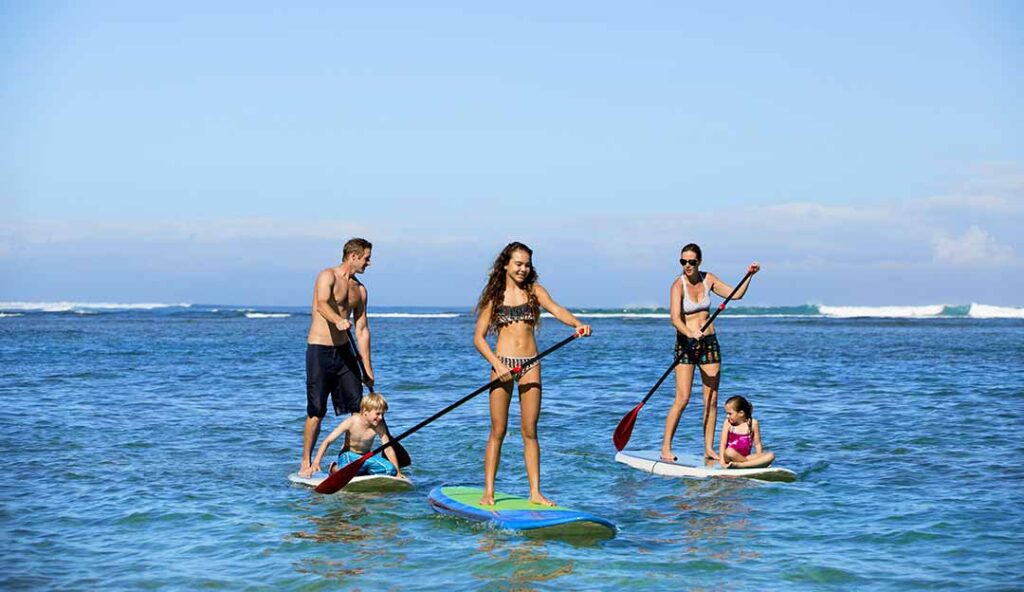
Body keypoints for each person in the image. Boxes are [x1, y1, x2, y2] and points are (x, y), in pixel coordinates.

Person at [473, 242, 592, 507]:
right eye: (518, 263)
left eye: (527, 264)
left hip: (531, 363)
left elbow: (557, 309)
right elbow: (479, 339)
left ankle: (535, 492)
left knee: (530, 430)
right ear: (505, 264)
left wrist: (578, 324)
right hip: (501, 364)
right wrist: (498, 364)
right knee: (498, 430)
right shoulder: (495, 298)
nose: (523, 269)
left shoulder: (535, 292)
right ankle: (489, 491)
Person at [661, 243, 759, 462]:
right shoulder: (678, 286)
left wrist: (749, 275)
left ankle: (708, 448)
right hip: (685, 344)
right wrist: (689, 332)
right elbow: (675, 318)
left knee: (711, 400)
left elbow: (736, 294)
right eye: (683, 261)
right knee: (683, 398)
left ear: (699, 262)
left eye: (691, 262)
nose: (687, 265)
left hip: (709, 344)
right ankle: (666, 447)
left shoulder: (709, 279)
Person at [298, 238, 374, 478]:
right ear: (353, 257)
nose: (369, 263)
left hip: (345, 354)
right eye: (366, 258)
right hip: (320, 350)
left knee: (358, 410)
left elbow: (362, 330)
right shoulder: (327, 276)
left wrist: (368, 369)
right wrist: (338, 320)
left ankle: (346, 461)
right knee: (316, 411)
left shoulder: (360, 290)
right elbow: (321, 304)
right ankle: (306, 462)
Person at [308, 392, 404, 478]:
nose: (380, 417)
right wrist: (316, 463)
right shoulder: (352, 422)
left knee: (390, 470)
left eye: (382, 414)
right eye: (378, 414)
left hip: (366, 456)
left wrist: (398, 472)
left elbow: (388, 448)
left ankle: (364, 471)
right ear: (365, 412)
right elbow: (327, 441)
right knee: (347, 473)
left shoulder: (379, 426)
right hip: (349, 455)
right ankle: (334, 468)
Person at [719, 395, 775, 469]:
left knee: (771, 455)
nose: (727, 416)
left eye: (730, 414)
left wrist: (760, 458)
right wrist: (722, 461)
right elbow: (723, 444)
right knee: (729, 452)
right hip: (730, 458)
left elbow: (758, 444)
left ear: (741, 413)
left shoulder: (753, 423)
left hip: (745, 458)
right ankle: (755, 465)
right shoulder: (728, 423)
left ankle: (742, 465)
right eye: (727, 413)